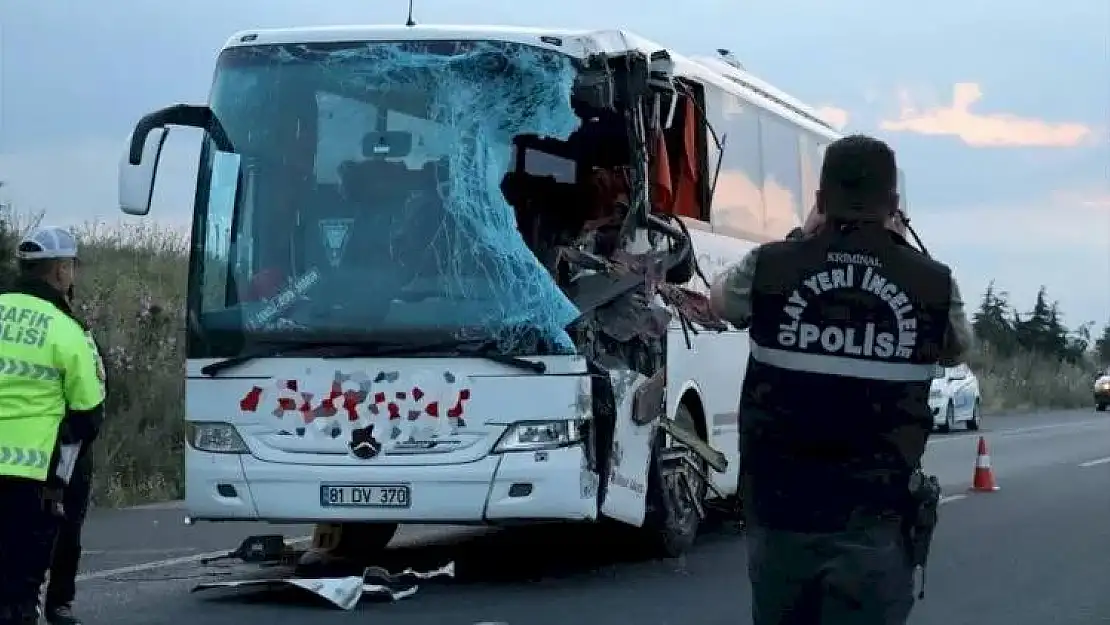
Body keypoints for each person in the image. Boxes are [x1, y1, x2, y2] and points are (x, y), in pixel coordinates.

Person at [709, 135, 973, 625]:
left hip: (780, 511)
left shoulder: (770, 265)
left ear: (819, 202)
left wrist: (799, 240)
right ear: (894, 205)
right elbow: (959, 346)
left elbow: (720, 301)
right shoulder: (934, 283)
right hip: (877, 518)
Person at [0, 227, 105, 625]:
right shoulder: (65, 330)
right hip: (32, 474)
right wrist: (64, 471)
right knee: (19, 588)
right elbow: (87, 413)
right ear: (61, 271)